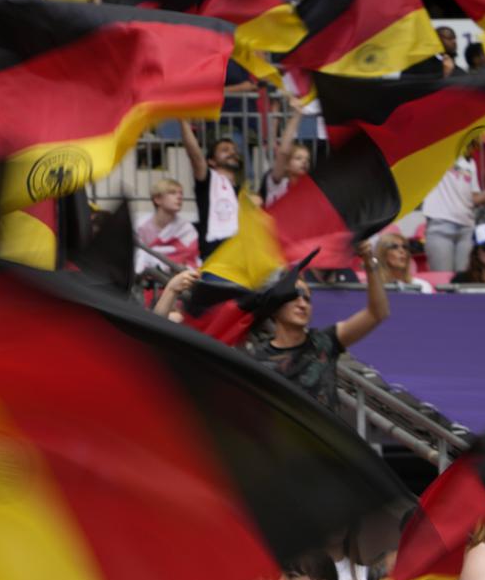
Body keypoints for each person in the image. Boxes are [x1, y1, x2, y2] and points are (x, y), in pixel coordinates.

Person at [240, 247, 390, 411]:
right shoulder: (256, 359)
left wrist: (369, 262)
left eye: (307, 299)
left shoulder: (325, 341)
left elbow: (377, 314)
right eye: (294, 297)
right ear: (275, 306)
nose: (303, 304)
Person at [180, 121, 245, 258]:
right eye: (225, 150)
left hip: (240, 257)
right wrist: (183, 121)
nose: (232, 153)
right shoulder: (208, 180)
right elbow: (195, 155)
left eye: (234, 150)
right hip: (214, 256)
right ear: (211, 161)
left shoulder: (243, 192)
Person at [135, 177, 199, 273]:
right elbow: (136, 256)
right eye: (172, 193)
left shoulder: (186, 229)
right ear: (157, 199)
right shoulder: (141, 226)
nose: (179, 197)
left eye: (181, 193)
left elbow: (190, 259)